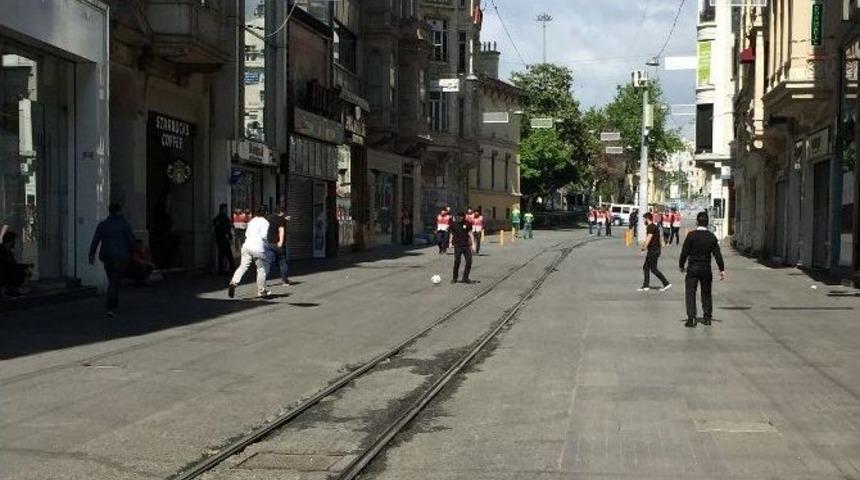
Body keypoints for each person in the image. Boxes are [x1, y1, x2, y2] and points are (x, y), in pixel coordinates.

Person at [679, 212, 726, 328]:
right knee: (706, 293)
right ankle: (707, 317)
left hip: (692, 268)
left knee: (690, 292)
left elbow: (684, 252)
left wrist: (681, 265)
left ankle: (691, 318)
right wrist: (721, 269)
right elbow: (717, 254)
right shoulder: (711, 237)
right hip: (706, 268)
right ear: (707, 223)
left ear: (697, 222)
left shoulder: (691, 235)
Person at [89, 203, 135, 317]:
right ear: (119, 211)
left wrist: (92, 253)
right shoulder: (124, 224)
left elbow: (96, 239)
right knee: (115, 280)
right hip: (120, 256)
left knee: (112, 278)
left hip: (107, 255)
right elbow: (131, 240)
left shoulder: (103, 225)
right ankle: (111, 306)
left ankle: (113, 302)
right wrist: (131, 253)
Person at [228, 205, 272, 299]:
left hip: (247, 246)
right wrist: (267, 245)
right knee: (261, 269)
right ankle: (262, 291)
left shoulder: (252, 221)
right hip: (258, 249)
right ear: (266, 213)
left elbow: (247, 233)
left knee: (243, 266)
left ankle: (234, 282)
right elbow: (264, 236)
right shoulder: (265, 222)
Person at [638, 212, 672, 292]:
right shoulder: (653, 226)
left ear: (647, 219)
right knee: (646, 267)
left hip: (653, 251)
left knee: (653, 269)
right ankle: (646, 286)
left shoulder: (651, 227)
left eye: (644, 219)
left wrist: (643, 249)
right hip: (654, 250)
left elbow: (648, 238)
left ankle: (666, 283)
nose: (643, 221)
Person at [266, 205, 291, 286]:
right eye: (283, 212)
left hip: (269, 243)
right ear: (281, 212)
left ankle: (262, 281)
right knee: (282, 262)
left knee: (268, 263)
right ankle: (285, 281)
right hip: (277, 244)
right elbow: (281, 230)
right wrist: (281, 242)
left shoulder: (269, 218)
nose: (284, 213)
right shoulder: (281, 219)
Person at [448, 212, 475, 284]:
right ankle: (454, 278)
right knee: (457, 261)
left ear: (464, 217)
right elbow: (451, 234)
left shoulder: (468, 224)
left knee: (469, 261)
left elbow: (470, 233)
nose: (460, 218)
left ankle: (465, 278)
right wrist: (450, 242)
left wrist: (473, 244)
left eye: (461, 217)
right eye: (459, 217)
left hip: (466, 245)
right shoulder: (453, 224)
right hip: (457, 246)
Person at [0, 232, 29, 297]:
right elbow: (5, 263)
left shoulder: (9, 251)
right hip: (3, 271)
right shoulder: (2, 250)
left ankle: (12, 288)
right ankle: (8, 289)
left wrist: (23, 266)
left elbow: (12, 263)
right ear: (10, 241)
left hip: (7, 270)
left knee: (21, 271)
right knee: (16, 272)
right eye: (13, 241)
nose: (15, 243)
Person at [213, 203, 235, 275]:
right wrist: (226, 235)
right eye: (225, 209)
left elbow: (228, 228)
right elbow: (218, 229)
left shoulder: (225, 218)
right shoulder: (219, 219)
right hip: (222, 239)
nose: (226, 210)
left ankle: (230, 269)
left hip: (225, 239)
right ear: (221, 209)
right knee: (223, 255)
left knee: (227, 255)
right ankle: (223, 270)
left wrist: (230, 236)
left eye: (226, 209)